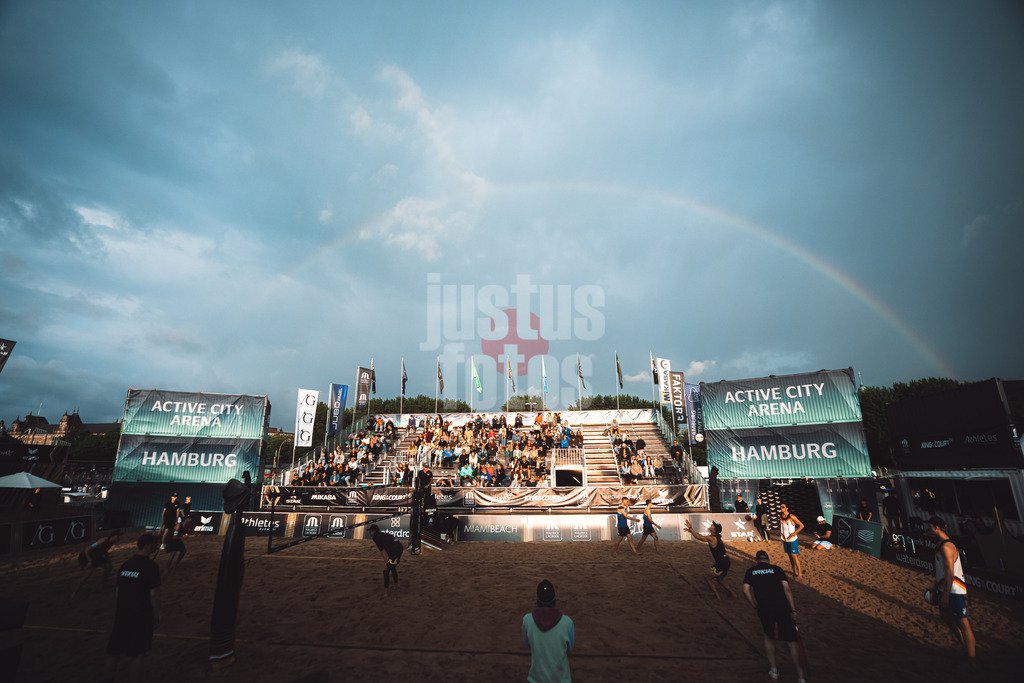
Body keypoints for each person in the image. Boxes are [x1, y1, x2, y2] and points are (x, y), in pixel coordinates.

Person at [742, 549, 807, 683]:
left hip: (765, 608)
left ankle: (774, 669)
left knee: (769, 637)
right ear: (768, 560)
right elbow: (787, 589)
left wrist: (754, 605)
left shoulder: (751, 571)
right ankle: (800, 676)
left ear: (757, 560)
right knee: (791, 641)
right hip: (782, 606)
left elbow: (745, 590)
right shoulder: (777, 569)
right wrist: (793, 610)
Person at [105, 533, 161, 680]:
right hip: (141, 614)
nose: (157, 545)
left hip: (122, 613)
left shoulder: (125, 565)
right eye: (155, 543)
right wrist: (156, 613)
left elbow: (117, 591)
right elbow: (153, 594)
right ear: (148, 545)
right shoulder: (151, 567)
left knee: (115, 651)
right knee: (138, 653)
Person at [926, 516, 976, 660]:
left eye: (930, 527)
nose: (928, 529)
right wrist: (936, 587)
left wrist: (946, 595)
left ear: (936, 527)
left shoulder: (947, 547)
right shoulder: (940, 544)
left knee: (963, 624)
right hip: (945, 588)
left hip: (953, 589)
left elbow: (950, 573)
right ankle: (964, 647)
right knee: (945, 617)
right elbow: (943, 573)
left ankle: (971, 659)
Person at [522, 579, 574, 683]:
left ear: (538, 600)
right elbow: (569, 648)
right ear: (554, 600)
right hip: (561, 679)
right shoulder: (567, 622)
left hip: (536, 679)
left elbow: (527, 643)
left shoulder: (527, 620)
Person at [685, 519, 735, 599]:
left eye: (712, 525)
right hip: (726, 561)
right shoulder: (715, 538)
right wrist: (691, 531)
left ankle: (718, 597)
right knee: (720, 579)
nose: (711, 525)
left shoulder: (712, 538)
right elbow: (701, 537)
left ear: (714, 530)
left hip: (721, 563)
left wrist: (691, 528)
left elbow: (698, 537)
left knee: (708, 578)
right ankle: (733, 594)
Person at [73, 530, 121, 598]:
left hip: (96, 557)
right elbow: (87, 549)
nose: (119, 538)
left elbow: (104, 551)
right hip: (86, 556)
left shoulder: (111, 543)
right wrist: (89, 561)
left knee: (109, 567)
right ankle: (74, 592)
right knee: (88, 573)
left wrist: (108, 558)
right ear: (113, 536)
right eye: (118, 536)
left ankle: (101, 585)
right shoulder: (102, 540)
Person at [367, 524, 404, 596]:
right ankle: (396, 585)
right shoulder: (382, 535)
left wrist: (386, 562)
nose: (369, 533)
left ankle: (386, 592)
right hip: (399, 547)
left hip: (395, 551)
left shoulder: (376, 537)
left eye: (370, 531)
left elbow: (382, 551)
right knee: (392, 567)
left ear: (373, 531)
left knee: (386, 570)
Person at [778, 503, 803, 578]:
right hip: (785, 539)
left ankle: (800, 573)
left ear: (787, 508)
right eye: (781, 507)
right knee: (790, 556)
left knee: (794, 556)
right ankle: (794, 571)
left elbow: (802, 525)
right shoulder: (780, 516)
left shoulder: (792, 517)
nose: (781, 508)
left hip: (792, 539)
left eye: (783, 507)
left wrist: (795, 532)